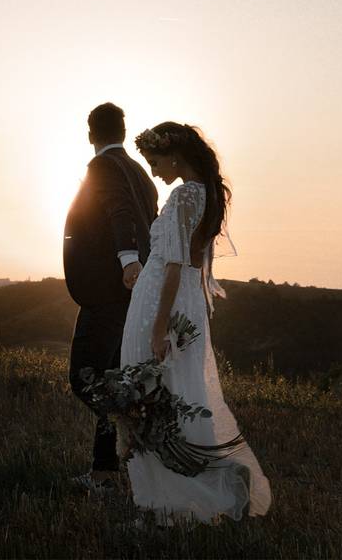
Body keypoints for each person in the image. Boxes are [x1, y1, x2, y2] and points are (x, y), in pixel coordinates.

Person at [121, 122, 271, 524]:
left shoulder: (186, 194)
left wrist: (157, 328)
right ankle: (194, 481)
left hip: (161, 304)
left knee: (160, 393)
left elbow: (174, 267)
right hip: (171, 300)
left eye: (155, 162)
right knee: (176, 394)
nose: (153, 171)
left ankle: (191, 492)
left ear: (173, 155)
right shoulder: (202, 193)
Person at [63, 102, 158, 494]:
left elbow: (121, 213)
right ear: (122, 130)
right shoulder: (138, 171)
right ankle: (104, 474)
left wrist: (127, 261)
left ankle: (132, 429)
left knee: (85, 378)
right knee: (113, 378)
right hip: (133, 293)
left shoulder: (102, 167)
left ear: (91, 135)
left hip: (109, 291)